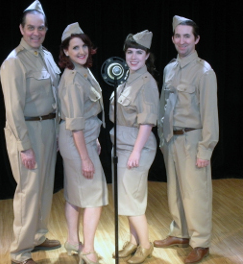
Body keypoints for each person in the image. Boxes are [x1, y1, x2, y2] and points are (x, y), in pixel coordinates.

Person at [0, 1, 61, 263]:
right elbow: (13, 110)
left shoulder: (46, 55)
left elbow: (55, 97)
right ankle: (20, 252)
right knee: (28, 191)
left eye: (41, 28)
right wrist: (24, 146)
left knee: (45, 187)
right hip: (27, 131)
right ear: (21, 29)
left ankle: (37, 236)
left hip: (48, 128)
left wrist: (58, 133)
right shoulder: (14, 62)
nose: (36, 33)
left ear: (45, 29)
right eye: (31, 28)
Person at [155, 15, 219, 264]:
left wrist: (205, 150)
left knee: (196, 194)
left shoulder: (204, 72)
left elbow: (210, 115)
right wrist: (162, 137)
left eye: (187, 36)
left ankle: (200, 242)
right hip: (172, 139)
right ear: (173, 39)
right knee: (176, 192)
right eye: (178, 36)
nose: (182, 41)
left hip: (193, 140)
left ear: (196, 39)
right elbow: (163, 105)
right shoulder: (171, 68)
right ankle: (181, 233)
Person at [57, 22, 108, 264]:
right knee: (94, 197)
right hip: (77, 142)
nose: (81, 51)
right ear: (65, 51)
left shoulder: (82, 71)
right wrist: (85, 157)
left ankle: (72, 241)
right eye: (75, 47)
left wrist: (94, 137)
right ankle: (87, 250)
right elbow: (75, 122)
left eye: (84, 46)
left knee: (75, 194)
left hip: (80, 139)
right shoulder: (73, 78)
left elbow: (85, 113)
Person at [109, 30, 159, 264]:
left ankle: (146, 246)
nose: (134, 56)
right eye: (130, 52)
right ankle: (133, 241)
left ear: (147, 55)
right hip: (122, 146)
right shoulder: (126, 77)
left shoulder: (147, 83)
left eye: (139, 52)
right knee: (126, 199)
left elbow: (147, 122)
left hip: (136, 148)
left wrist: (136, 152)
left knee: (133, 200)